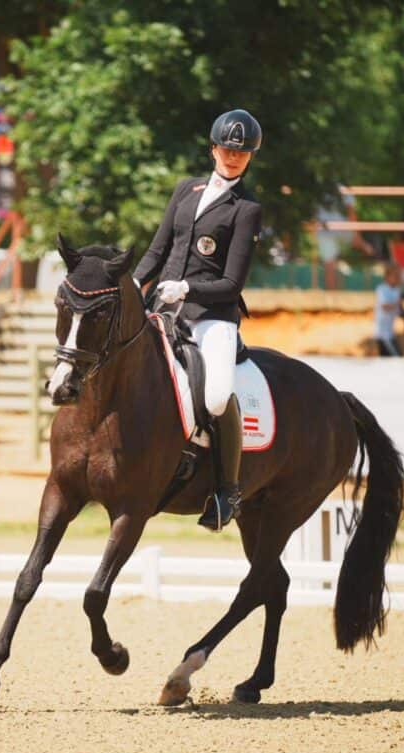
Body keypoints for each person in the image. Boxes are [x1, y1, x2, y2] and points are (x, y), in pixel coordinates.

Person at [133, 108, 263, 533]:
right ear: (213, 149)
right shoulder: (184, 191)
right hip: (164, 306)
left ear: (249, 158)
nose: (233, 157)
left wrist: (186, 288)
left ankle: (228, 489)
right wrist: (136, 282)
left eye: (241, 153)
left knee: (216, 396)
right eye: (227, 148)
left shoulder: (247, 209)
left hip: (213, 315)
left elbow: (231, 282)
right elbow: (158, 249)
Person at [310, 184, 375, 290]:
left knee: (329, 265)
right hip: (338, 228)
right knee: (331, 265)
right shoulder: (342, 188)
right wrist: (357, 236)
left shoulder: (318, 188)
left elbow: (313, 212)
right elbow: (352, 212)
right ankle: (367, 248)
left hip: (327, 229)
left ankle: (332, 299)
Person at [374, 263, 403, 357]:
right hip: (383, 334)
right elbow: (384, 306)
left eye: (399, 276)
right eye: (395, 275)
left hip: (390, 333)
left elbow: (399, 311)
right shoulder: (382, 289)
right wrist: (397, 303)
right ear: (387, 276)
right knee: (396, 358)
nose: (398, 278)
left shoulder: (397, 290)